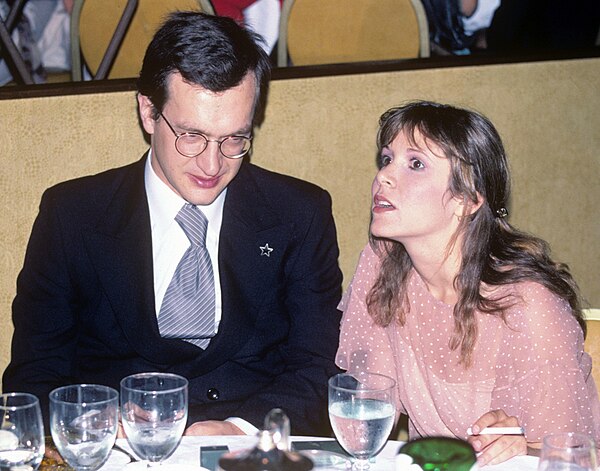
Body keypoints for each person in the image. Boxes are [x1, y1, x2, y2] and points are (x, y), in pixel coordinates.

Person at [3, 11, 343, 436]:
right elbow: (34, 377)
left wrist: (239, 430)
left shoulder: (298, 213)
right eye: (192, 135)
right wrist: (99, 427)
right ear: (149, 112)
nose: (212, 163)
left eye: (235, 138)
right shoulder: (72, 214)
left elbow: (319, 369)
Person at [335, 101, 600, 465]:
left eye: (415, 164)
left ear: (467, 199)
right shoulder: (382, 264)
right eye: (386, 159)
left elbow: (567, 458)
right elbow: (369, 407)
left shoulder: (526, 304)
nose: (384, 176)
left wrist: (522, 446)